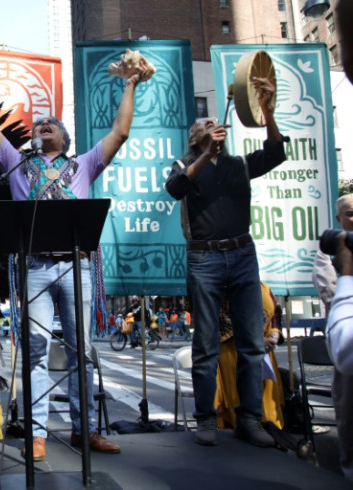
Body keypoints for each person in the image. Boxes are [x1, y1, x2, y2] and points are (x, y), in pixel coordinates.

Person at [0, 48, 151, 460]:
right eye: (38, 124)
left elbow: (119, 133)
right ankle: (38, 433)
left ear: (64, 138)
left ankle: (85, 430)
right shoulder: (16, 164)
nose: (43, 125)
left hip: (76, 265)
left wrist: (130, 84)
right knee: (34, 349)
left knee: (81, 350)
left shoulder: (83, 165)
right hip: (34, 267)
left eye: (51, 124)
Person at [165, 76, 285, 448]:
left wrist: (267, 111)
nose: (211, 125)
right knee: (206, 343)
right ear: (193, 139)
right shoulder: (183, 164)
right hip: (204, 258)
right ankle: (206, 418)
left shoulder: (238, 164)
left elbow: (276, 153)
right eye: (203, 124)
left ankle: (250, 418)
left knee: (252, 341)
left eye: (213, 124)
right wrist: (206, 155)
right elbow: (176, 188)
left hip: (243, 253)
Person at [313, 193, 353, 481]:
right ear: (339, 218)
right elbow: (328, 287)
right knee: (348, 407)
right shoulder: (332, 249)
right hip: (343, 330)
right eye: (349, 213)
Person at [215, 283, 284, 431]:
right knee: (240, 395)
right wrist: (256, 341)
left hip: (265, 353)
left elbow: (276, 312)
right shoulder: (222, 288)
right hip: (233, 351)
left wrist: (275, 333)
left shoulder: (264, 288)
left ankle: (273, 432)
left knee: (267, 397)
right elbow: (223, 321)